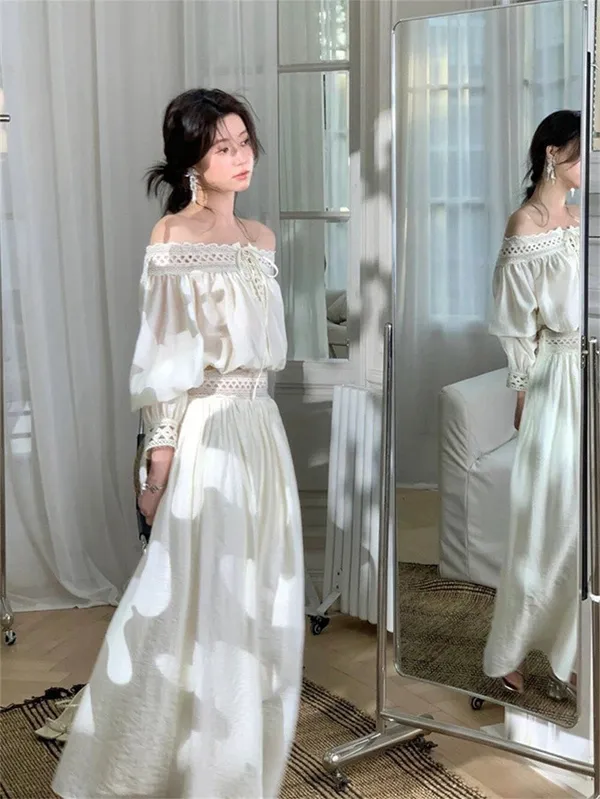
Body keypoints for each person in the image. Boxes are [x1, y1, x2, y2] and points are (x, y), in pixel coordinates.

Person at [50, 88, 305, 799]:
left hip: (263, 434)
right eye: (223, 146)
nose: (241, 156)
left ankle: (236, 762)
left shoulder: (262, 240)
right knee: (194, 598)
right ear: (193, 160)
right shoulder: (171, 238)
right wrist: (157, 469)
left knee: (263, 596)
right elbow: (164, 362)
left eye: (245, 141)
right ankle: (158, 763)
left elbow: (264, 352)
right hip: (208, 434)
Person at [483, 110, 581, 699]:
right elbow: (515, 321)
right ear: (552, 153)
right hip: (556, 379)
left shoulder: (581, 219)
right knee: (550, 521)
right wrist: (522, 387)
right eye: (582, 151)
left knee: (587, 522)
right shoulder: (525, 225)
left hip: (590, 374)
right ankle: (512, 649)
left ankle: (572, 655)